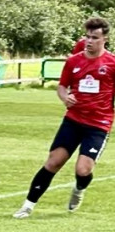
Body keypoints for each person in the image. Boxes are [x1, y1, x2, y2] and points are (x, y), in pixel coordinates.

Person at [13, 17, 115, 219]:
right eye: (87, 37)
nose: (89, 41)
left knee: (83, 169)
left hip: (98, 124)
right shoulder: (73, 61)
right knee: (53, 162)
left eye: (94, 37)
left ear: (105, 39)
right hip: (73, 120)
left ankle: (79, 188)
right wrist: (64, 97)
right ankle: (27, 206)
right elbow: (62, 87)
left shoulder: (112, 63)